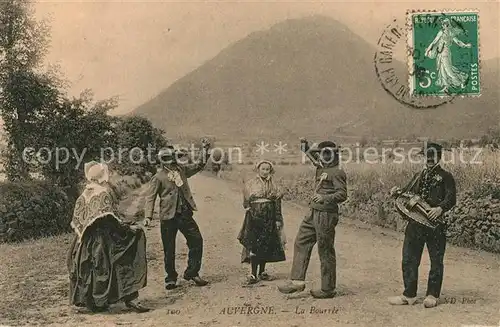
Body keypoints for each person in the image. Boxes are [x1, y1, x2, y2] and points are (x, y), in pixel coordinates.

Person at [67, 161, 149, 313]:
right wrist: (127, 228)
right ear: (101, 177)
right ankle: (130, 298)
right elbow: (109, 220)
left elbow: (80, 220)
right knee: (127, 249)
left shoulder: (84, 195)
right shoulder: (103, 193)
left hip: (85, 240)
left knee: (91, 266)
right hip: (102, 237)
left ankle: (97, 301)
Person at [388, 142, 457, 308]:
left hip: (436, 225)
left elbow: (451, 198)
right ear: (425, 157)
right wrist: (396, 191)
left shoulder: (446, 176)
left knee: (436, 260)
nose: (430, 159)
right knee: (409, 259)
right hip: (415, 224)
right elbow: (406, 193)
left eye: (433, 156)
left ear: (439, 157)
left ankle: (432, 295)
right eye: (428, 156)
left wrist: (440, 208)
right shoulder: (418, 175)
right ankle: (409, 294)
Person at [278, 138, 347, 299]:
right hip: (313, 212)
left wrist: (325, 198)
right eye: (322, 154)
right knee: (301, 241)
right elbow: (312, 156)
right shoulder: (322, 166)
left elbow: (343, 194)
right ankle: (297, 281)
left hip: (326, 214)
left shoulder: (337, 172)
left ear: (335, 155)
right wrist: (305, 147)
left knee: (325, 249)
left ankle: (328, 288)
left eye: (328, 154)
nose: (324, 157)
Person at [143, 140, 211, 290]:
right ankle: (171, 278)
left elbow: (199, 165)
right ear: (161, 160)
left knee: (197, 240)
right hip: (168, 216)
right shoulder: (158, 177)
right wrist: (148, 217)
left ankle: (192, 272)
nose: (170, 160)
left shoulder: (182, 170)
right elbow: (150, 197)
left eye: (172, 157)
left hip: (185, 214)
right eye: (166, 158)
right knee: (169, 248)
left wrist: (205, 150)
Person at [237, 160, 286, 285]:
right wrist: (248, 209)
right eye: (263, 169)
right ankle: (253, 273)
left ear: (270, 171)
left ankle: (262, 272)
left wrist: (278, 219)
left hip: (269, 216)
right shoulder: (251, 184)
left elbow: (277, 203)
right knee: (254, 244)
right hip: (255, 216)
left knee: (266, 243)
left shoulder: (274, 185)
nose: (265, 171)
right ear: (258, 169)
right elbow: (246, 199)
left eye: (267, 169)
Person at [424, 17, 472, 92]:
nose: (443, 26)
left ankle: (462, 81)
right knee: (442, 70)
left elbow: (458, 42)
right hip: (440, 53)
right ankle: (446, 87)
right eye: (442, 24)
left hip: (446, 53)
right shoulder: (441, 32)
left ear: (447, 25)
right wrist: (427, 50)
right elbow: (434, 42)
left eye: (444, 24)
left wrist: (465, 45)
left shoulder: (451, 33)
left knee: (448, 70)